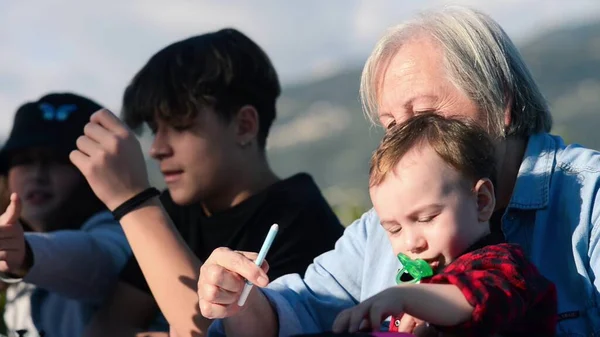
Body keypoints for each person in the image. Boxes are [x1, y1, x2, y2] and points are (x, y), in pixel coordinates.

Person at [193, 6, 600, 337]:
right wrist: (237, 298)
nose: (409, 140)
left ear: (500, 102)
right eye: (392, 126)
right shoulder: (379, 229)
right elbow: (295, 312)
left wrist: (409, 300)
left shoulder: (590, 196)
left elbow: (481, 292)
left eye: (424, 117)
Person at [79, 28, 345, 337]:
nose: (156, 148)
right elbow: (107, 327)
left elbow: (219, 331)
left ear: (244, 126)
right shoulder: (176, 212)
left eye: (178, 126)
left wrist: (134, 202)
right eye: (154, 128)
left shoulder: (299, 219)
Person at [332, 113, 557, 335]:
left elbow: (475, 297)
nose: (412, 243)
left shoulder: (504, 266)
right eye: (395, 229)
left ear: (481, 202)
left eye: (426, 218)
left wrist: (405, 298)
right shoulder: (418, 285)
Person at [0, 93, 131, 337]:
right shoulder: (18, 242)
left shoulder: (123, 231)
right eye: (24, 160)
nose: (38, 174)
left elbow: (98, 261)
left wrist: (25, 253)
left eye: (59, 160)